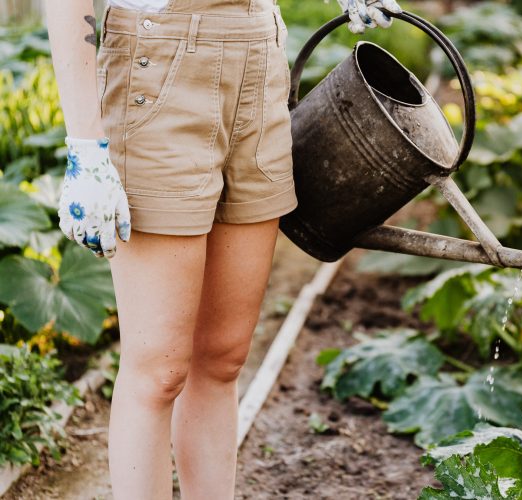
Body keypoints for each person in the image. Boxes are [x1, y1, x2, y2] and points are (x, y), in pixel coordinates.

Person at [44, 0, 400, 497]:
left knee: (223, 358)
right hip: (160, 64)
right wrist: (85, 146)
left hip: (259, 55)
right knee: (160, 370)